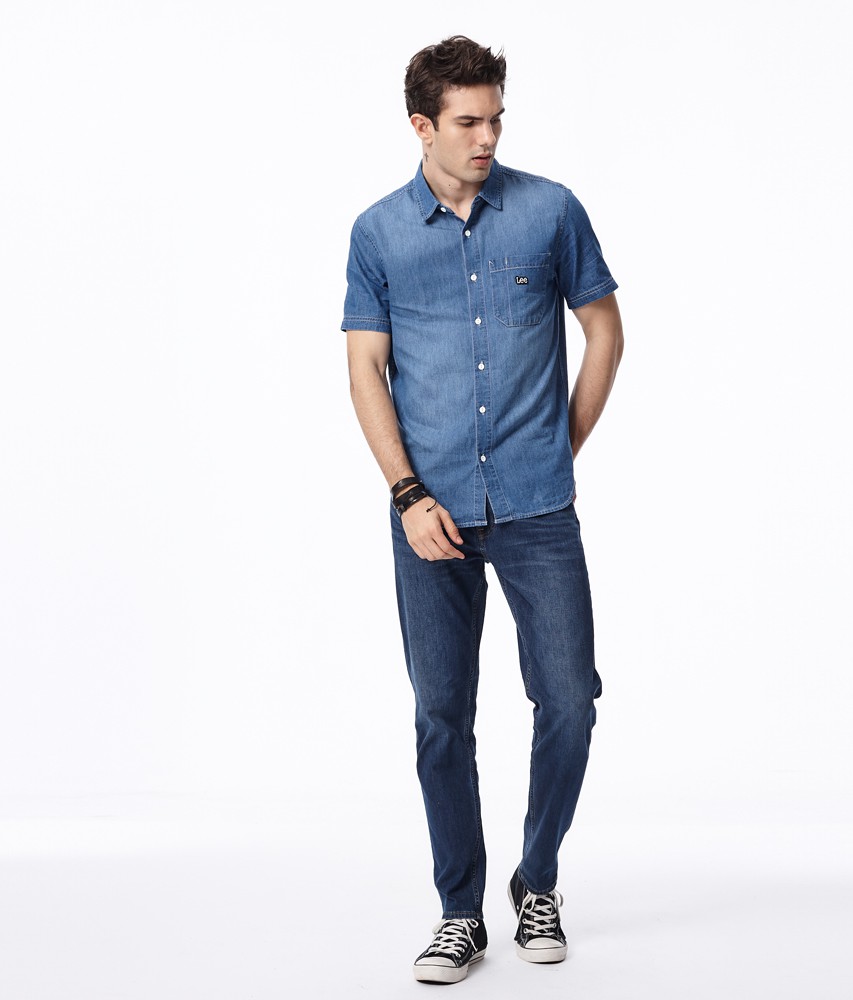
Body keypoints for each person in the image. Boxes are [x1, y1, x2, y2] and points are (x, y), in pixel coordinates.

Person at [342, 34, 623, 985]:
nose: (488, 137)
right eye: (468, 122)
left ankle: (536, 880)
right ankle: (459, 912)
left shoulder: (551, 211)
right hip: (431, 514)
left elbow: (604, 331)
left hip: (539, 507)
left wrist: (561, 444)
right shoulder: (378, 234)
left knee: (571, 703)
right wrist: (407, 492)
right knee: (440, 716)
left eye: (496, 118)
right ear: (421, 126)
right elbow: (365, 370)